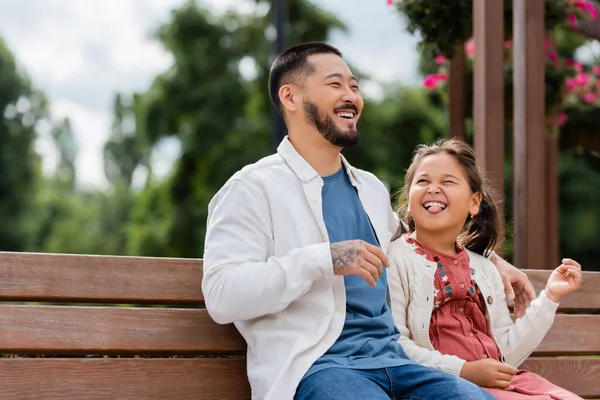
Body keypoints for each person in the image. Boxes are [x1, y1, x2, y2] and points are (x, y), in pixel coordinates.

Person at [202, 42, 532, 400]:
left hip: (399, 362)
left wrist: (494, 262)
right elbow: (222, 295)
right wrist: (325, 258)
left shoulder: (369, 188)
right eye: (335, 85)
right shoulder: (251, 188)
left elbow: (421, 240)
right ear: (290, 97)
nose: (351, 97)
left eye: (355, 86)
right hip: (319, 368)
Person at [387, 138, 583, 399]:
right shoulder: (396, 257)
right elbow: (396, 344)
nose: (433, 188)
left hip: (503, 384)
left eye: (447, 182)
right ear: (409, 199)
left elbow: (506, 353)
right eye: (423, 181)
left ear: (474, 202)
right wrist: (465, 370)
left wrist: (550, 297)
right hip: (443, 385)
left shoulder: (485, 268)